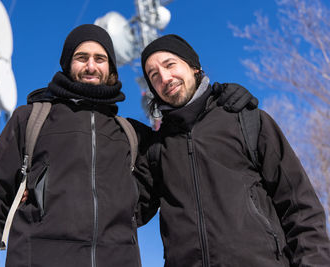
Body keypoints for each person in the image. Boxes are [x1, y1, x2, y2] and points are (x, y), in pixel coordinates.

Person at [0, 24, 254, 266]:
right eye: (81, 57)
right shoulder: (31, 120)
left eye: (100, 59)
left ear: (111, 69)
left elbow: (186, 145)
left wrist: (216, 98)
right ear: (68, 64)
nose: (91, 65)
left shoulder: (132, 134)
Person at [136, 34, 330, 267]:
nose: (165, 78)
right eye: (154, 75)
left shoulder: (245, 119)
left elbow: (300, 205)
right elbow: (121, 211)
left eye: (170, 65)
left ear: (194, 68)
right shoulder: (156, 149)